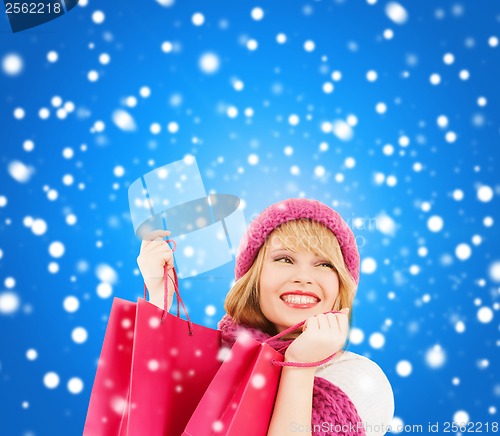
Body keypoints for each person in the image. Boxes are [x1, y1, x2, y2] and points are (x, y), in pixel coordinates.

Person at [137, 198, 394, 436]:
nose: (304, 277)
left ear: (341, 284)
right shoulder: (218, 357)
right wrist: (158, 299)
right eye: (285, 259)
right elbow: (149, 413)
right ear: (254, 278)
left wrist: (299, 365)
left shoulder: (360, 379)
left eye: (324, 264)